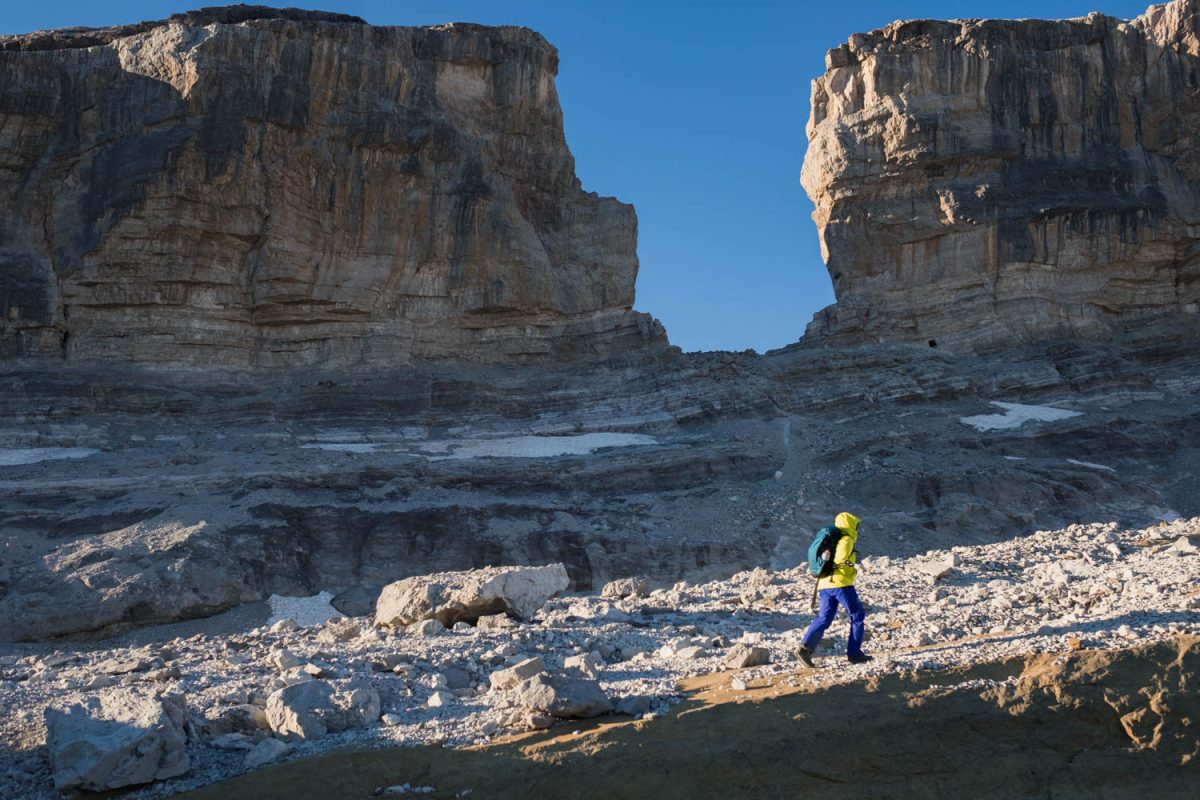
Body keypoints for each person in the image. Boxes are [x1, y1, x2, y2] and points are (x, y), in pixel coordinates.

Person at [797, 511, 871, 666]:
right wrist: (852, 568)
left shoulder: (833, 539)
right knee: (857, 615)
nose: (857, 529)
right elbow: (840, 560)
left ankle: (805, 648)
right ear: (850, 525)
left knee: (824, 618)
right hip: (841, 584)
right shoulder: (846, 539)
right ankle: (854, 653)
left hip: (824, 584)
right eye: (856, 526)